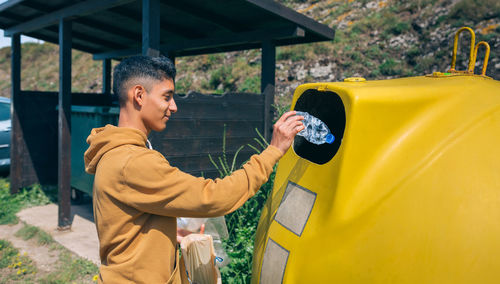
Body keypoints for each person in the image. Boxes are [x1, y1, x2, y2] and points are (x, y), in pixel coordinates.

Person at [84, 55, 304, 284]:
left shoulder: (114, 152)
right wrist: (273, 151)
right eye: (167, 97)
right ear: (139, 95)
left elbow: (127, 227)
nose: (174, 107)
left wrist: (168, 235)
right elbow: (213, 197)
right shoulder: (132, 161)